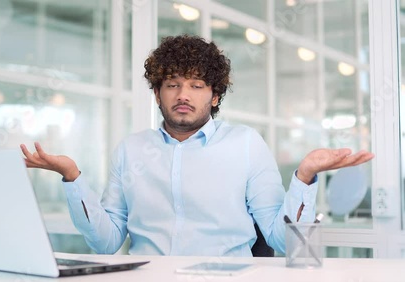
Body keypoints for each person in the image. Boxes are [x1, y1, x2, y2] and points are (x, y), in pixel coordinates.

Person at [20, 35, 374, 257]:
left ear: (215, 95)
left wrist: (305, 176)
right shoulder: (131, 150)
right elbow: (106, 243)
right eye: (172, 84)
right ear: (157, 94)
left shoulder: (246, 144)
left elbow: (285, 242)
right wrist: (71, 177)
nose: (183, 95)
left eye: (197, 85)